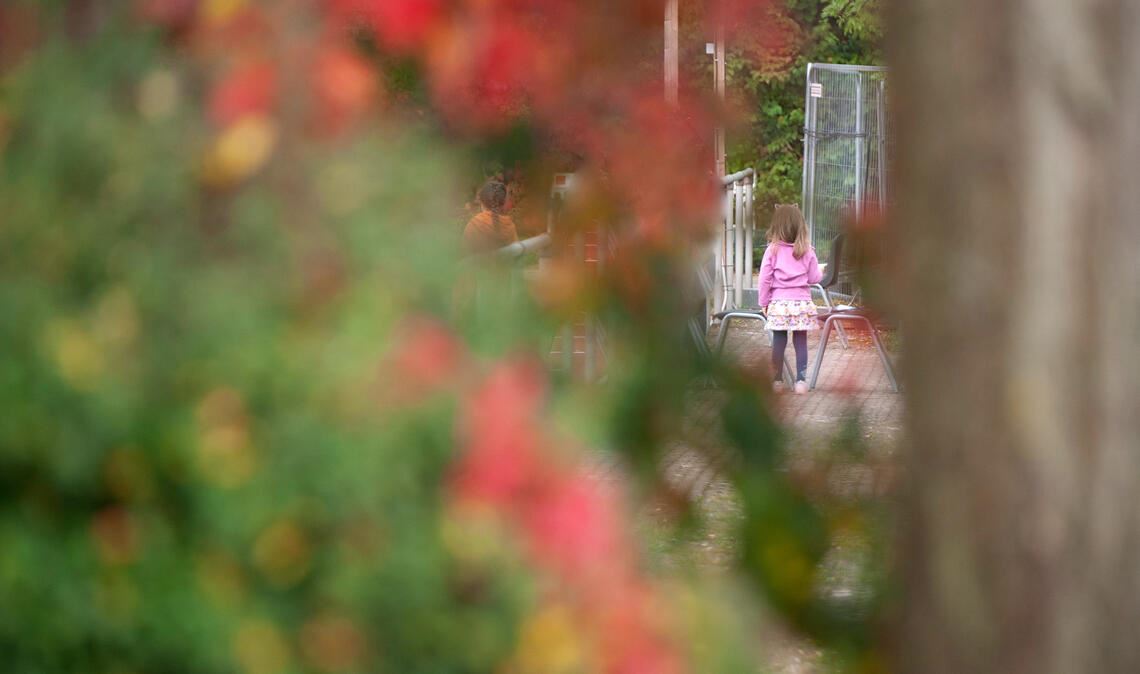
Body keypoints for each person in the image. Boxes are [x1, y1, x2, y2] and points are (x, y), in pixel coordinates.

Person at [757, 204, 823, 394]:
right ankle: (801, 381)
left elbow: (764, 279)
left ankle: (777, 381)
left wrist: (764, 303)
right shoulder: (807, 250)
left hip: (779, 304)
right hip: (801, 304)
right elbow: (814, 278)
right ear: (800, 225)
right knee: (800, 341)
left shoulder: (772, 250)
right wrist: (820, 270)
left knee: (779, 340)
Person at [463, 180, 518, 255]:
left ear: (481, 202)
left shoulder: (474, 225)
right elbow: (515, 254)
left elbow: (466, 253)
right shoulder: (509, 225)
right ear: (503, 203)